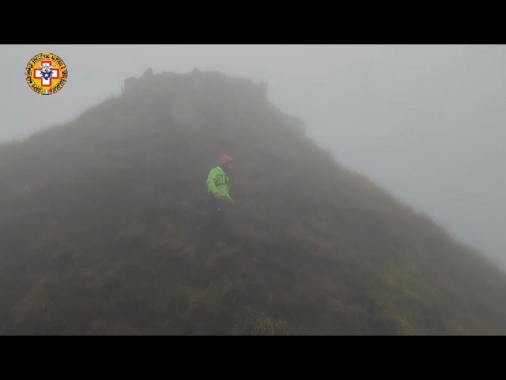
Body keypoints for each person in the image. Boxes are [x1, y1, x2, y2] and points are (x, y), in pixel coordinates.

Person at [204, 153, 235, 238]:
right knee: (215, 218)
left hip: (222, 201)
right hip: (214, 199)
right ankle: (203, 233)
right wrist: (216, 194)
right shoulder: (215, 171)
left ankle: (215, 239)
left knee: (221, 220)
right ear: (225, 164)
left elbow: (225, 191)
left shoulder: (226, 177)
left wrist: (230, 199)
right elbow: (209, 181)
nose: (231, 166)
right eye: (230, 164)